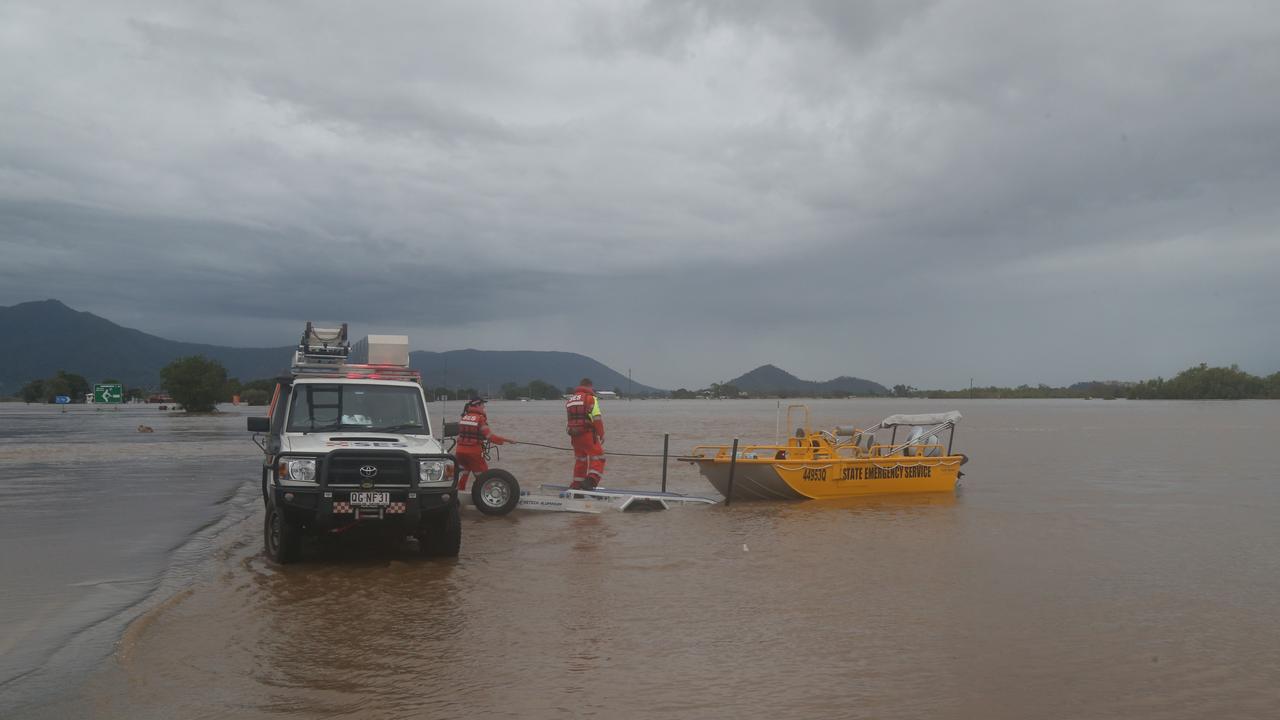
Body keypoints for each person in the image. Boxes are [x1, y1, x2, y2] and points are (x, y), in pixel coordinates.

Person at [455, 398, 507, 491]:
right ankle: (488, 495)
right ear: (477, 405)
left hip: (459, 452)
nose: (484, 406)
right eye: (483, 404)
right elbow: (489, 436)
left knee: (463, 473)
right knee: (484, 478)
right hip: (473, 452)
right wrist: (506, 440)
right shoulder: (480, 418)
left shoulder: (464, 417)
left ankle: (458, 493)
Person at [565, 378, 605, 489]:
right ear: (589, 387)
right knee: (599, 457)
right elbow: (596, 417)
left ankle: (577, 485)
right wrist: (601, 433)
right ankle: (591, 480)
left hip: (574, 436)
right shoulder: (591, 399)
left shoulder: (570, 400)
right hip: (588, 435)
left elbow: (570, 420)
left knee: (580, 460)